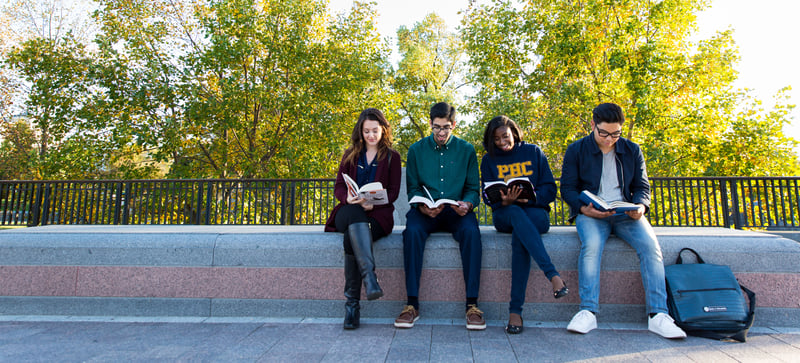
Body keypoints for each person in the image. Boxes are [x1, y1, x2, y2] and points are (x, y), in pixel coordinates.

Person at [560, 102, 686, 339]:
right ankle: (588, 312)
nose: (609, 139)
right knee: (591, 247)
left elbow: (642, 186)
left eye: (616, 133)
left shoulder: (632, 149)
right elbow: (567, 188)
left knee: (651, 247)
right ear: (593, 124)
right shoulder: (576, 150)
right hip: (592, 214)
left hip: (626, 214)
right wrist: (584, 209)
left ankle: (658, 315)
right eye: (604, 133)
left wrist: (641, 206)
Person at [394, 102, 484, 330]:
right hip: (425, 212)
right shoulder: (416, 150)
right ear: (430, 124)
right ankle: (411, 304)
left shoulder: (467, 150)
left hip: (457, 212)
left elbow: (474, 188)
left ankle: (472, 305)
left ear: (454, 125)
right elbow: (413, 189)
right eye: (436, 127)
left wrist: (468, 204)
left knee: (472, 233)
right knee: (411, 233)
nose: (441, 133)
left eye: (446, 127)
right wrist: (423, 207)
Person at [479, 115, 568, 335]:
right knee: (516, 215)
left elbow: (550, 188)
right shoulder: (488, 160)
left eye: (505, 136)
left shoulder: (533, 152)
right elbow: (487, 196)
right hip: (505, 214)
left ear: (514, 133)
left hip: (535, 212)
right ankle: (553, 276)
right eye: (497, 139)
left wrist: (532, 197)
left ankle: (515, 311)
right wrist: (504, 200)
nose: (502, 142)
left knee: (521, 235)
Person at [325, 108, 402, 330]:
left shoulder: (392, 157)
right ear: (360, 131)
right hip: (349, 210)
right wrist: (348, 197)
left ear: (383, 130)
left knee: (352, 236)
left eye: (375, 131)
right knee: (354, 216)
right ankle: (369, 279)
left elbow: (394, 192)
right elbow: (339, 186)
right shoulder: (350, 154)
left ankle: (352, 307)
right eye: (366, 131)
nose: (370, 135)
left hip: (377, 214)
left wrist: (373, 202)